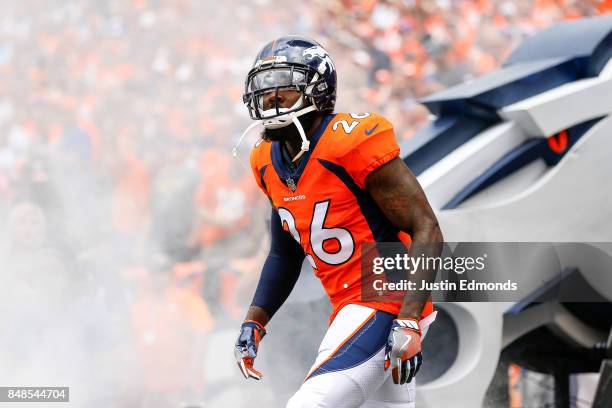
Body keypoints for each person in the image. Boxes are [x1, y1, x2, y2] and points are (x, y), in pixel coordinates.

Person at [234, 35, 443, 408]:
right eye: (266, 93)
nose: (271, 101)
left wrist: (409, 319)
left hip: (386, 298)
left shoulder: (350, 140)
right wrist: (255, 319)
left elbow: (426, 227)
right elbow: (284, 254)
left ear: (317, 92)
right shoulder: (265, 159)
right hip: (349, 304)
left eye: (283, 92)